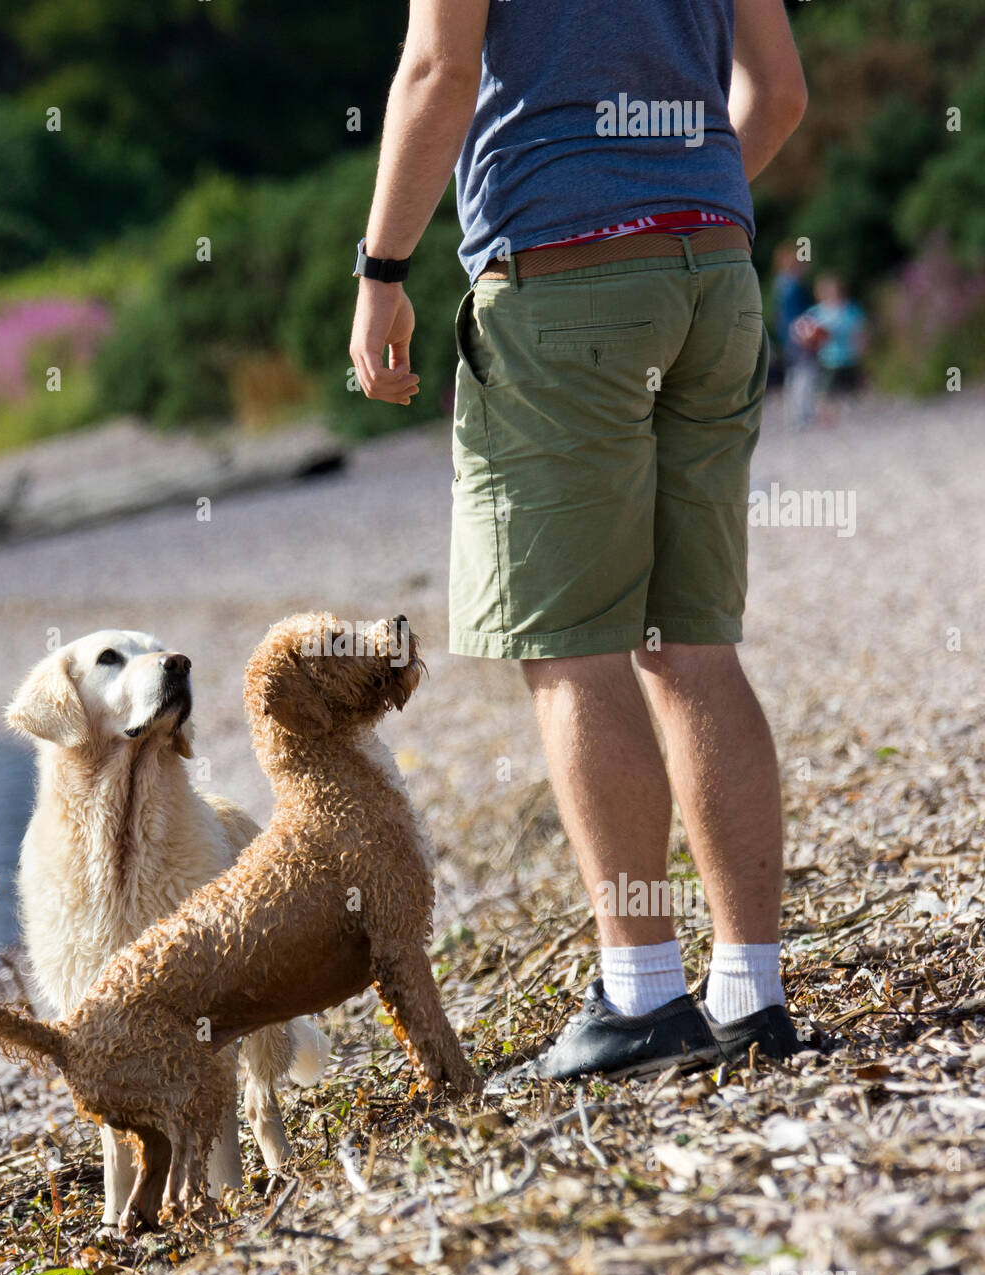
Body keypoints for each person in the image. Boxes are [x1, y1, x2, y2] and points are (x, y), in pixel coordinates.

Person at [349, 0, 808, 1082]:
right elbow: (780, 91)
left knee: (573, 650)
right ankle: (751, 989)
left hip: (561, 279)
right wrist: (681, 192)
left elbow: (436, 71)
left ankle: (643, 993)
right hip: (714, 269)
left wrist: (380, 272)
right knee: (691, 640)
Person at [795, 272, 868, 424]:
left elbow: (860, 329)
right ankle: (829, 419)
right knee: (827, 391)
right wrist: (809, 338)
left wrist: (861, 346)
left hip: (849, 356)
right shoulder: (818, 311)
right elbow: (801, 327)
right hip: (828, 357)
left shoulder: (850, 309)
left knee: (852, 391)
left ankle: (849, 418)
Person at [771, 242, 818, 428]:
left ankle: (796, 415)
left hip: (788, 335)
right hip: (799, 334)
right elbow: (799, 315)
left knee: (794, 374)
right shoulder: (791, 286)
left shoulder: (780, 284)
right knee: (804, 373)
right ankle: (802, 416)